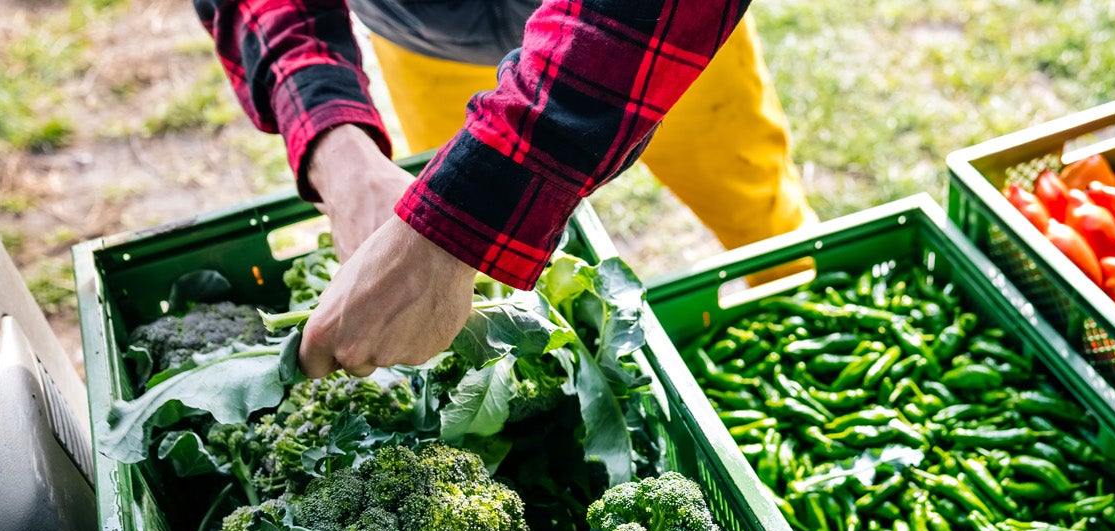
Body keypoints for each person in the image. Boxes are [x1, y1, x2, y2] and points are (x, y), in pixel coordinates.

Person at [194, 0, 815, 379]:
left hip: (652, 30)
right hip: (426, 38)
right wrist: (334, 141)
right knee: (482, 300)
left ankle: (804, 325)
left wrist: (452, 228)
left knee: (753, 202)